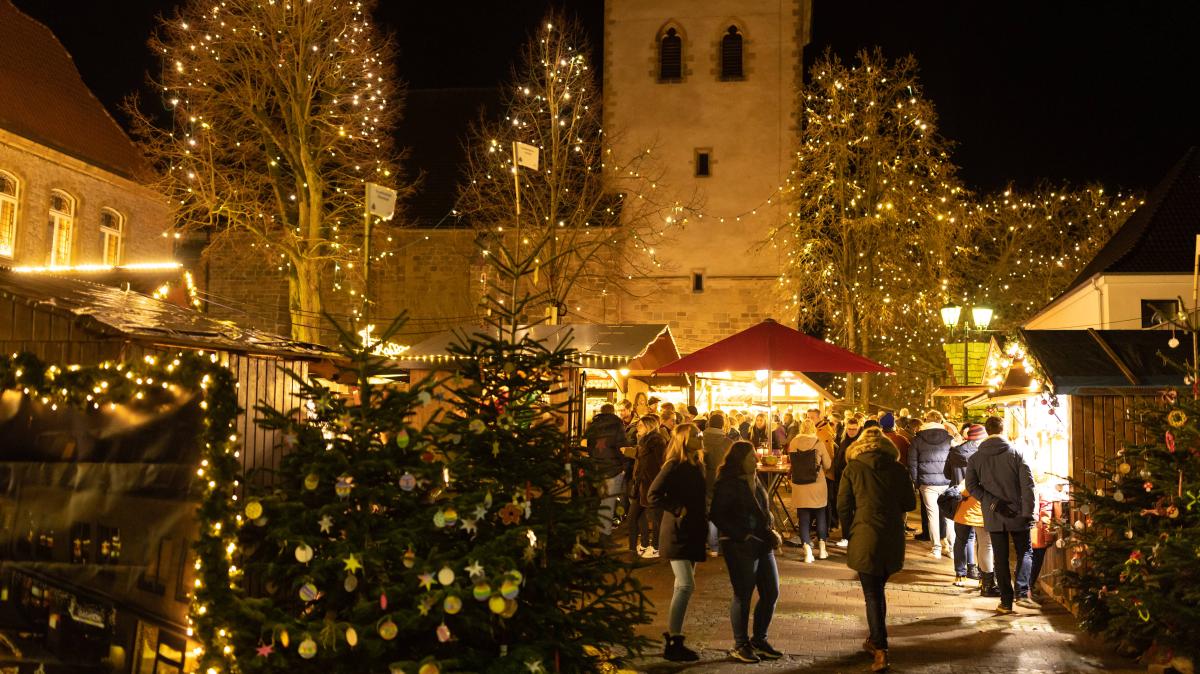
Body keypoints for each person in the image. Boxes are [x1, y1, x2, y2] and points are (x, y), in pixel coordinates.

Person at [838, 428, 916, 673]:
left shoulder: (852, 468)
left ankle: (880, 649)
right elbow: (910, 503)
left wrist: (849, 532)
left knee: (872, 594)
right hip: (891, 536)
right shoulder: (898, 469)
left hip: (864, 534)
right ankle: (875, 640)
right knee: (877, 591)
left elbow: (842, 505)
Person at [710, 440, 783, 663]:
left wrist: (770, 526)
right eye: (751, 457)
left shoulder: (755, 479)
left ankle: (759, 639)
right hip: (740, 545)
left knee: (771, 591)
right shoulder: (728, 483)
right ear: (740, 460)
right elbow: (716, 514)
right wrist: (742, 535)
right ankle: (740, 644)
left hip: (762, 542)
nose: (756, 459)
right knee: (743, 594)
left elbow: (762, 509)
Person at [648, 423, 709, 662]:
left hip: (692, 530)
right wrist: (677, 508)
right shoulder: (673, 465)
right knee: (685, 585)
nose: (700, 437)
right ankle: (674, 641)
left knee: (681, 586)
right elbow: (652, 495)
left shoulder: (697, 464)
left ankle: (675, 638)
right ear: (684, 440)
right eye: (695, 435)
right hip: (676, 531)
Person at [966, 416, 1037, 613]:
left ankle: (1006, 602)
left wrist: (992, 502)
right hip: (1018, 512)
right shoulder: (1017, 453)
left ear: (987, 431)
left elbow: (971, 486)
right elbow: (1028, 485)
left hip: (994, 514)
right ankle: (1022, 591)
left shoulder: (975, 458)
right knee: (1025, 551)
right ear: (1003, 429)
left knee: (1000, 557)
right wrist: (1029, 511)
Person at [944, 424, 988, 586]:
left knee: (962, 538)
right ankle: (980, 574)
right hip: (978, 501)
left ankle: (960, 575)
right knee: (981, 540)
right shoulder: (983, 455)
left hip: (960, 500)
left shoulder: (955, 452)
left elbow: (946, 474)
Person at [908, 410, 955, 559]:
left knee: (932, 515)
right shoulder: (949, 439)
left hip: (927, 483)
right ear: (941, 421)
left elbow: (912, 463)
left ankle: (936, 549)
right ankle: (952, 548)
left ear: (926, 420)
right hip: (947, 481)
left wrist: (916, 482)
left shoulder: (917, 440)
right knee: (949, 516)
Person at [787, 419, 833, 562]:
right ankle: (822, 549)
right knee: (820, 516)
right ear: (813, 428)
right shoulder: (818, 442)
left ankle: (807, 551)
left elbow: (792, 462)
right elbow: (828, 464)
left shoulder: (793, 442)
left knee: (804, 519)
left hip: (800, 485)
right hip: (817, 485)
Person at [584, 403, 628, 538]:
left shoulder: (593, 425)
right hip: (613, 469)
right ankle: (604, 534)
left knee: (596, 501)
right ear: (613, 411)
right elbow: (621, 447)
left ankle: (593, 532)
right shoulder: (617, 425)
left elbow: (588, 445)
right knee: (608, 502)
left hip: (596, 468)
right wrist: (624, 464)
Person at [629, 415, 666, 558]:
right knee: (633, 516)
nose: (638, 427)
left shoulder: (657, 442)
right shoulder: (643, 441)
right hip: (641, 485)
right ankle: (637, 546)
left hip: (651, 485)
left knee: (656, 518)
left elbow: (660, 465)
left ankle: (656, 547)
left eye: (641, 425)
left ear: (649, 426)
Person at [701, 412, 735, 556]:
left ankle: (708, 543)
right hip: (722, 479)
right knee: (720, 510)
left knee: (704, 510)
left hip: (702, 478)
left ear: (709, 423)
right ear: (722, 425)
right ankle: (717, 546)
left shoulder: (700, 438)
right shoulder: (728, 442)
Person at [831, 416, 862, 547]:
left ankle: (854, 536)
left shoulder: (860, 443)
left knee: (855, 509)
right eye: (849, 429)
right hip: (842, 480)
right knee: (844, 509)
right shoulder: (844, 440)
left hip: (855, 481)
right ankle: (846, 536)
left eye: (854, 429)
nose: (851, 432)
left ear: (859, 429)